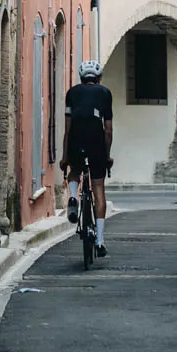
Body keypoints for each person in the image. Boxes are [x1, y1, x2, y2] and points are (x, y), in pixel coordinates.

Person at [61, 59, 114, 257]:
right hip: (96, 140)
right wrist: (107, 155)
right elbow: (108, 130)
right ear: (98, 78)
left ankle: (73, 197)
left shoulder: (72, 93)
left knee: (74, 171)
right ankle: (100, 241)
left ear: (82, 78)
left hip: (76, 138)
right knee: (98, 188)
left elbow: (67, 129)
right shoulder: (105, 93)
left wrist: (65, 157)